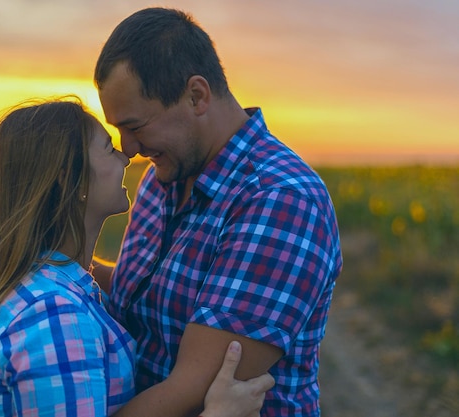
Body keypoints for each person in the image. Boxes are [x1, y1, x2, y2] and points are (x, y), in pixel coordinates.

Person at [0, 98, 274, 417]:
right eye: (109, 149)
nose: (126, 157)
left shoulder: (48, 289)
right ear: (69, 179)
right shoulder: (57, 317)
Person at [92, 7, 343, 416]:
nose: (130, 149)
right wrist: (50, 262)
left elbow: (191, 388)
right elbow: (136, 297)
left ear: (197, 95)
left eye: (136, 126)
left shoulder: (280, 199)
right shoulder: (162, 179)